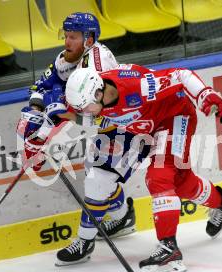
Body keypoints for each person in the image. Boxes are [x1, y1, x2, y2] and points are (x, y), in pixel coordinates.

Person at [54, 64, 222, 272]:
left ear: (99, 93)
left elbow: (180, 75)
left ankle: (169, 250)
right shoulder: (99, 95)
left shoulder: (138, 87)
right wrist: (56, 120)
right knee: (178, 182)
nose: (84, 112)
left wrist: (204, 95)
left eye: (86, 106)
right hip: (141, 126)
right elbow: (94, 116)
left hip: (174, 117)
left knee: (159, 176)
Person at [22, 13, 137, 247]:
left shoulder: (98, 62)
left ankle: (87, 240)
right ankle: (123, 217)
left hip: (123, 124)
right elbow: (43, 85)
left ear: (89, 38)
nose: (67, 42)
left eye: (73, 37)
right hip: (104, 125)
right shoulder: (70, 58)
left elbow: (91, 110)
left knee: (98, 177)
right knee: (97, 174)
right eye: (66, 36)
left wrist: (49, 124)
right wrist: (38, 113)